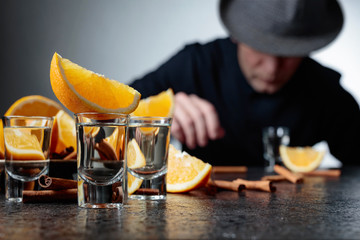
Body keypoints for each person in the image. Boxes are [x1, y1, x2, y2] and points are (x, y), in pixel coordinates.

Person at [130, 0, 360, 166]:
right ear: (236, 33)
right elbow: (106, 124)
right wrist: (158, 111)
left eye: (289, 52)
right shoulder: (196, 64)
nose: (272, 68)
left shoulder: (325, 90)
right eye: (261, 45)